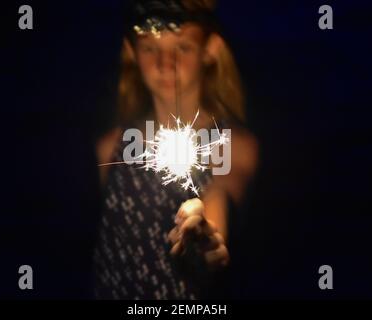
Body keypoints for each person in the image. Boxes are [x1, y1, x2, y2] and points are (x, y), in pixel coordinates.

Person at [93, 0, 258, 299]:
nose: (165, 64)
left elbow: (220, 192)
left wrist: (206, 236)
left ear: (210, 49)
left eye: (182, 47)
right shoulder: (111, 147)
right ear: (131, 51)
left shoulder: (230, 143)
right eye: (150, 48)